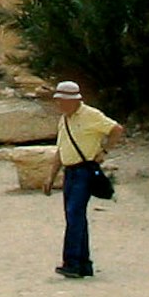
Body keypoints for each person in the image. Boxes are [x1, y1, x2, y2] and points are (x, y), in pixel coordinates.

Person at [52, 82, 119, 279]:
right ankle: (83, 263)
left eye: (61, 101)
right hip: (70, 172)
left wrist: (104, 151)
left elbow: (116, 129)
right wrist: (51, 175)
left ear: (73, 101)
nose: (59, 105)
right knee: (75, 216)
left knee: (74, 215)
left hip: (84, 171)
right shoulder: (64, 120)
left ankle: (72, 262)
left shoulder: (92, 116)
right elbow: (61, 149)